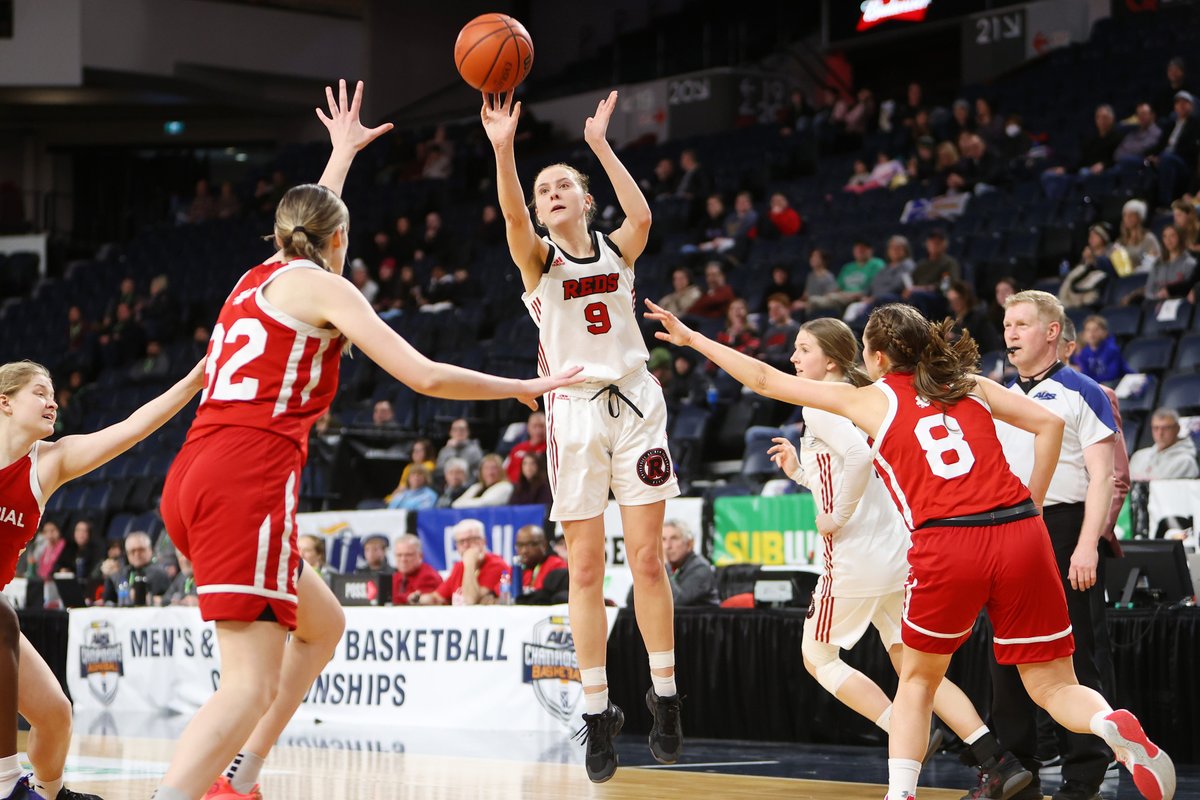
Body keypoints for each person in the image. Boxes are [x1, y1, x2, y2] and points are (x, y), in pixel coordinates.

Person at [155, 80, 580, 800]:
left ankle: (241, 779)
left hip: (194, 473)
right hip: (244, 480)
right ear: (340, 243)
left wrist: (339, 154)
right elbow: (426, 377)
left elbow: (315, 220)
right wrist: (526, 388)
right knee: (248, 685)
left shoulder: (255, 278)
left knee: (322, 627)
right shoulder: (327, 289)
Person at [644, 298, 1175, 800]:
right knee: (1054, 685)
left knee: (918, 683)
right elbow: (1049, 425)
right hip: (1021, 533)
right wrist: (1031, 505)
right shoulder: (969, 381)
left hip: (948, 541)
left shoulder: (870, 398)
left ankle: (901, 793)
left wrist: (693, 338)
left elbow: (764, 378)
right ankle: (1109, 722)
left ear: (875, 357)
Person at [483, 88, 683, 783]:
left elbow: (644, 214)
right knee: (589, 568)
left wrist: (599, 145)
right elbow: (510, 211)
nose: (554, 191)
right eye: (546, 188)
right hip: (572, 413)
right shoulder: (537, 260)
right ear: (539, 210)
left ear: (585, 199)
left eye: (565, 182)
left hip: (636, 404)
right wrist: (506, 149)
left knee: (650, 561)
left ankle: (666, 695)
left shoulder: (616, 248)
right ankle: (598, 711)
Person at [763, 318, 1028, 795]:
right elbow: (860, 471)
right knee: (916, 669)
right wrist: (802, 472)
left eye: (803, 350)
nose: (794, 359)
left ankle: (900, 729)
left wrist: (834, 518)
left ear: (830, 359)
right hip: (898, 553)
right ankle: (997, 759)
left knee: (817, 656)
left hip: (855, 559)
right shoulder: (879, 401)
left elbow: (857, 466)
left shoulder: (824, 403)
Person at [0, 356, 204, 800]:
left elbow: (131, 428)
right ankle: (6, 786)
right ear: (6, 403)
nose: (52, 402)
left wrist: (192, 382)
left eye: (54, 395)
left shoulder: (50, 463)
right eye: (39, 392)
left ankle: (48, 794)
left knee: (55, 714)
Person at [992, 290, 1121, 800]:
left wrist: (1087, 545)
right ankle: (1016, 768)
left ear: (1052, 332)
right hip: (1011, 528)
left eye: (1022, 324)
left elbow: (1103, 478)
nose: (1011, 334)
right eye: (1006, 326)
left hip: (1066, 528)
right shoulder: (1000, 393)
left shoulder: (1083, 391)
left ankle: (1085, 771)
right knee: (1006, 655)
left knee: (1077, 653)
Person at [419, 519, 510, 606]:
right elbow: (436, 598)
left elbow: (470, 601)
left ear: (483, 541)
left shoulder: (496, 565)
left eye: (471, 539)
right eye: (461, 541)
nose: (466, 545)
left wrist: (470, 563)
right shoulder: (459, 566)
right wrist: (420, 598)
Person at [1129, 408, 1200, 481]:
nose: (1160, 433)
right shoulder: (1138, 456)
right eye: (1156, 428)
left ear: (1177, 428)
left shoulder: (1185, 462)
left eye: (1166, 428)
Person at [658, 520, 717, 607]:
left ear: (689, 544)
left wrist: (664, 566)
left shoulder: (701, 568)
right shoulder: (671, 567)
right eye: (663, 539)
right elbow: (632, 601)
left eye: (674, 538)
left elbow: (676, 602)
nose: (667, 546)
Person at [102, 531, 172, 604]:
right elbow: (109, 600)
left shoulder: (159, 574)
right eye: (133, 551)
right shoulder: (121, 573)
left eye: (141, 550)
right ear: (127, 554)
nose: (137, 554)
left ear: (150, 550)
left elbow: (167, 599)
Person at [513, 524, 567, 599]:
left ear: (544, 545)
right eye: (520, 545)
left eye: (530, 544)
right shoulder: (518, 570)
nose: (524, 550)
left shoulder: (556, 565)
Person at [1072, 315, 1128, 384]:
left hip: (1119, 384)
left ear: (1105, 332)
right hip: (1096, 385)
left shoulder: (1112, 350)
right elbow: (1083, 372)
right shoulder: (1082, 351)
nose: (1091, 334)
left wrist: (1088, 378)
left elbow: (1113, 376)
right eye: (1088, 330)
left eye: (1095, 330)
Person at [392, 534, 441, 605]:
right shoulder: (397, 576)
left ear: (420, 556)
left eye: (408, 555)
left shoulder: (428, 576)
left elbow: (416, 603)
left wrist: (403, 598)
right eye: (399, 555)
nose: (403, 559)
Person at [504, 410, 546, 483]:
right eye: (535, 426)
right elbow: (505, 471)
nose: (538, 430)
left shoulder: (551, 449)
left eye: (542, 426)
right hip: (512, 487)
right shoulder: (517, 448)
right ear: (528, 428)